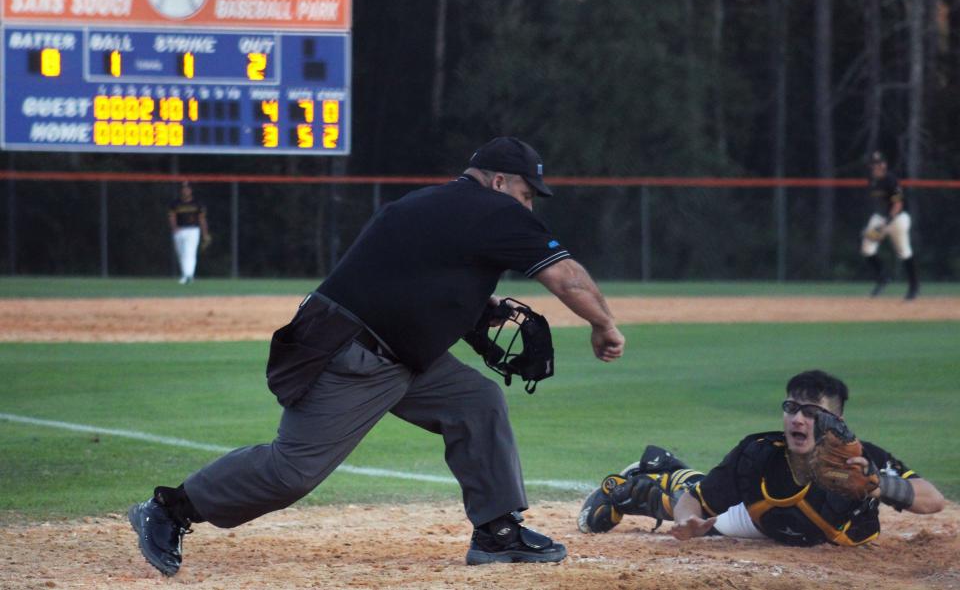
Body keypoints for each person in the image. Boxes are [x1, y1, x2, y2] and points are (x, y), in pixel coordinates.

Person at [129, 136, 626, 576]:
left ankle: (497, 532)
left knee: (476, 401)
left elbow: (404, 274)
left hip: (393, 351)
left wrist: (472, 309)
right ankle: (170, 509)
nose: (528, 207)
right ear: (499, 181)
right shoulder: (497, 212)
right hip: (357, 356)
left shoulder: (424, 203)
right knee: (293, 470)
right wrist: (603, 325)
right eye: (525, 194)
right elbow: (568, 277)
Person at [578, 370, 944, 547]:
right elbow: (697, 502)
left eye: (812, 412)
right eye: (791, 408)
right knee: (690, 503)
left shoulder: (861, 459)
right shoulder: (758, 454)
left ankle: (669, 470)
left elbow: (932, 499)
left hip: (831, 536)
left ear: (838, 422)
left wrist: (882, 486)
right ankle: (639, 485)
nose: (798, 419)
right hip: (761, 522)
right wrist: (687, 520)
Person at [861, 152, 918, 300]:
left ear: (883, 165)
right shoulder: (872, 180)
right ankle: (883, 277)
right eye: (872, 164)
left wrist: (886, 222)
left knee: (904, 252)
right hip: (880, 218)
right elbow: (879, 203)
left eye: (876, 164)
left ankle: (914, 286)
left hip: (897, 219)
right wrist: (875, 225)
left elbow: (898, 204)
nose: (873, 167)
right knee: (867, 248)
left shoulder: (891, 180)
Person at [168, 181, 211, 284]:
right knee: (181, 254)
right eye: (183, 188)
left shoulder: (197, 203)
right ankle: (186, 275)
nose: (185, 190)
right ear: (181, 190)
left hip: (193, 230)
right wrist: (174, 228)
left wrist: (205, 233)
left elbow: (202, 219)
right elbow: (172, 217)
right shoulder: (175, 203)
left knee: (190, 252)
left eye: (187, 188)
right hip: (179, 230)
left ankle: (188, 275)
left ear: (191, 190)